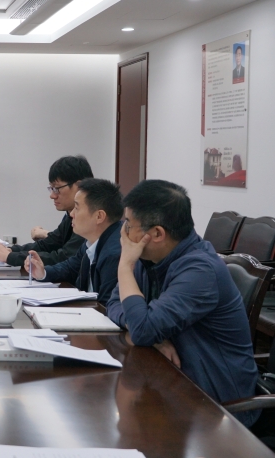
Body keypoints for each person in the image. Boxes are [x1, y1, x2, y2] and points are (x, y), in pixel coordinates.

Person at [106, 179, 259, 427]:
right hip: (174, 386)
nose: (123, 233)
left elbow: (142, 329)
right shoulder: (150, 258)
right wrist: (147, 332)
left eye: (129, 225)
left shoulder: (200, 270)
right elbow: (114, 302)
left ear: (157, 234)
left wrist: (125, 267)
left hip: (219, 410)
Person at [24, 178, 122, 304]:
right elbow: (70, 268)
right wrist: (43, 273)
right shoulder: (91, 242)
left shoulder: (114, 254)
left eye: (77, 207)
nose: (71, 214)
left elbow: (106, 306)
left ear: (99, 216)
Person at [0, 155, 93, 266]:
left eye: (57, 189)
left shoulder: (90, 218)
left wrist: (9, 257)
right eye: (51, 188)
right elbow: (46, 245)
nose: (52, 196)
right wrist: (11, 250)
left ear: (78, 186)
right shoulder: (71, 215)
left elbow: (62, 258)